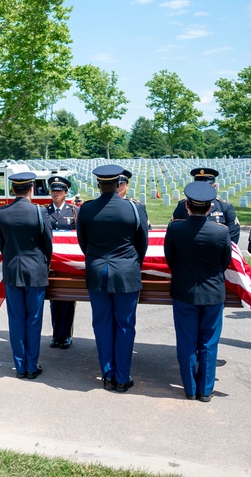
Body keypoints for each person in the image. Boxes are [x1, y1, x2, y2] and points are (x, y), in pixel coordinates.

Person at [76, 164, 149, 392]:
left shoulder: (86, 209)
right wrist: (131, 263)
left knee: (102, 324)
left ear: (98, 184)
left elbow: (83, 243)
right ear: (119, 183)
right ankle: (122, 377)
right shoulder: (134, 209)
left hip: (98, 271)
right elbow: (142, 243)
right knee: (125, 326)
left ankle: (107, 374)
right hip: (127, 272)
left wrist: (97, 258)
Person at [164, 181, 233, 402]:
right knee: (208, 342)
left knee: (186, 342)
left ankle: (190, 389)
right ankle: (205, 390)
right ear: (210, 208)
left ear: (187, 207)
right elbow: (225, 262)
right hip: (213, 293)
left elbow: (170, 259)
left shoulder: (175, 228)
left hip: (184, 292)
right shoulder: (221, 232)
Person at [0, 171, 53, 379]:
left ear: (12, 189)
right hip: (36, 271)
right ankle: (32, 365)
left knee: (16, 319)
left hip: (12, 271)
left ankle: (20, 366)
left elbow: (2, 244)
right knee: (34, 319)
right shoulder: (40, 212)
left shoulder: (2, 212)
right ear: (31, 189)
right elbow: (48, 244)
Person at [45, 176, 77, 350]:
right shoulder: (44, 211)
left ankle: (66, 335)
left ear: (65, 193)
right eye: (53, 191)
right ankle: (56, 334)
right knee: (54, 299)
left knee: (68, 299)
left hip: (68, 262)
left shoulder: (73, 212)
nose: (55, 194)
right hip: (51, 262)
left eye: (59, 191)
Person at [171, 168, 241, 244]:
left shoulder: (225, 207)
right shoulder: (183, 205)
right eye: (199, 187)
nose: (202, 190)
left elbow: (233, 236)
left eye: (206, 187)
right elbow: (174, 231)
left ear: (214, 186)